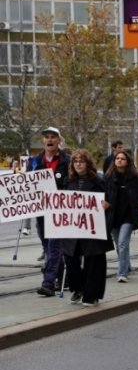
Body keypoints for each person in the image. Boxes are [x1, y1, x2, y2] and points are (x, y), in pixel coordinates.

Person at [62, 149, 114, 306]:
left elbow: (110, 199)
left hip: (93, 228)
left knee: (94, 262)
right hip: (73, 228)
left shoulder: (98, 181)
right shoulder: (68, 181)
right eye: (75, 161)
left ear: (88, 164)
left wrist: (106, 205)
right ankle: (78, 288)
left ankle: (91, 295)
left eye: (81, 161)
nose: (78, 164)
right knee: (70, 260)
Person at [105, 150, 138, 283]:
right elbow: (101, 194)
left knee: (123, 243)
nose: (119, 160)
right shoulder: (108, 177)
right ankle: (127, 266)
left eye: (122, 158)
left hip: (129, 216)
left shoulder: (135, 178)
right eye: (117, 158)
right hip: (113, 216)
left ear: (127, 162)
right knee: (119, 245)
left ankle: (122, 273)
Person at [33, 126, 71, 296]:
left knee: (55, 246)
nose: (49, 140)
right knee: (48, 246)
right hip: (42, 211)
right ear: (43, 140)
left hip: (60, 211)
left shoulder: (68, 160)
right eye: (46, 137)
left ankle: (48, 283)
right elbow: (27, 185)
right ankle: (63, 276)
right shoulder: (34, 161)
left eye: (53, 137)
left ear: (59, 140)